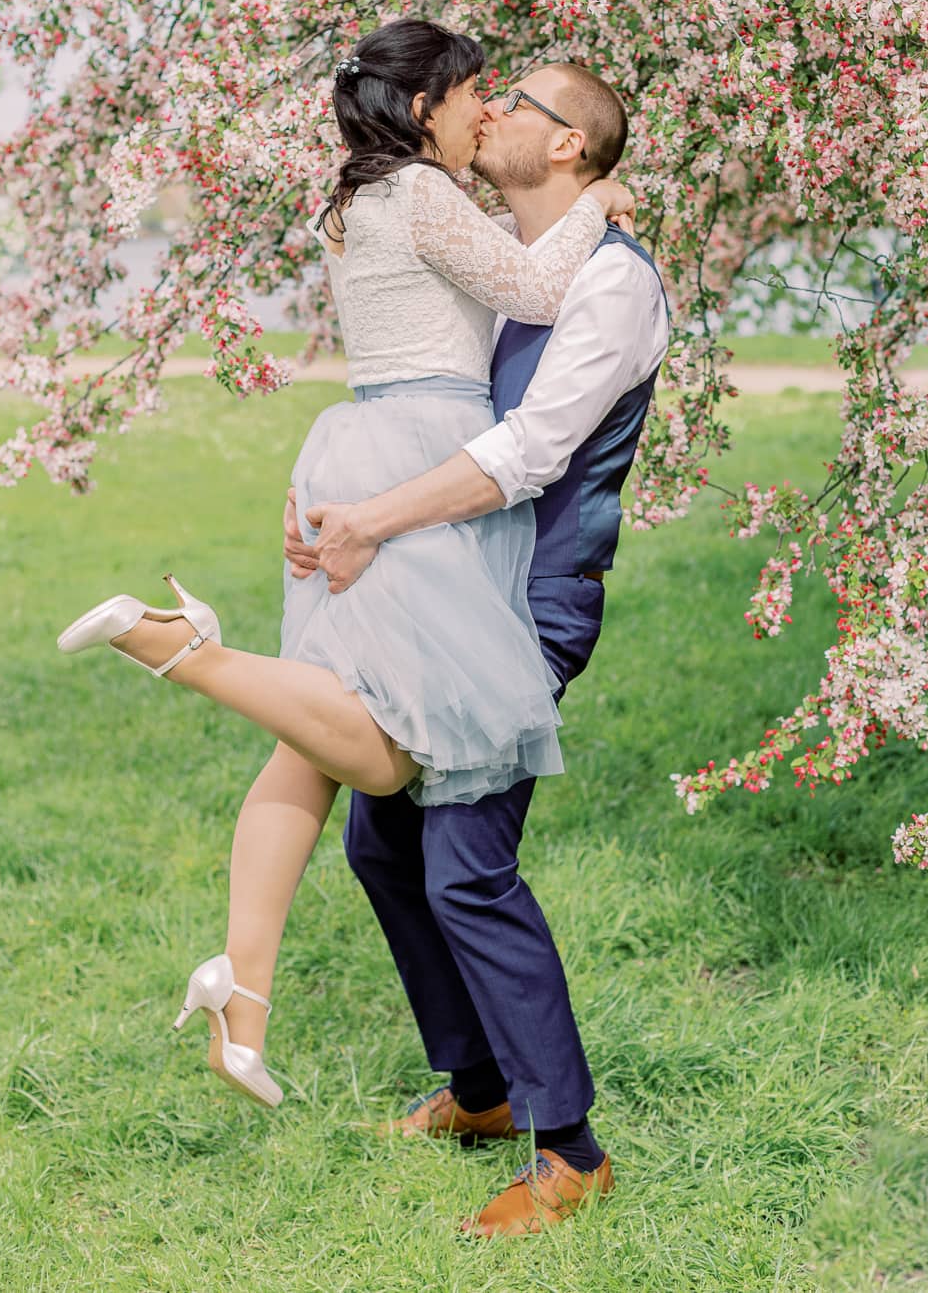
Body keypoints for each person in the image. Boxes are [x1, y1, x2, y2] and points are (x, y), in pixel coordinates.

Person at [56, 18, 633, 1120]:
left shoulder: (351, 204)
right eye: (475, 96)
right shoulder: (423, 196)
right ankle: (184, 649)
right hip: (422, 455)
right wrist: (598, 210)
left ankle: (244, 989)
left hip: (356, 439)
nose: (487, 113)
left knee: (313, 743)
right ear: (427, 110)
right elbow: (531, 289)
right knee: (387, 749)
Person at [283, 61, 668, 1236]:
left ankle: (575, 1152)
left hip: (530, 599)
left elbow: (527, 453)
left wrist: (370, 522)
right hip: (447, 581)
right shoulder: (510, 275)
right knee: (380, 842)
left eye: (521, 105)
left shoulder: (613, 287)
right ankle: (484, 1090)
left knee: (466, 864)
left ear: (568, 148)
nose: (489, 110)